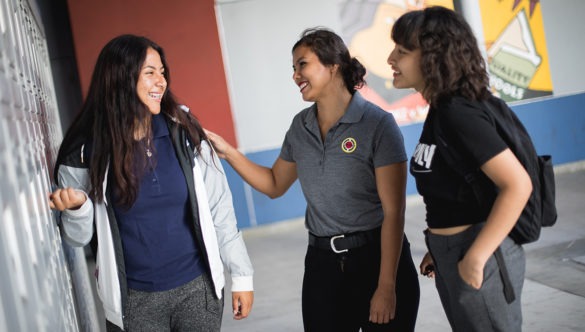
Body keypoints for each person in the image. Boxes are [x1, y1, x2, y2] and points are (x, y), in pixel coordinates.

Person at [206, 27, 419, 331]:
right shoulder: (300, 127)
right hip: (322, 266)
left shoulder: (377, 124)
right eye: (293, 68)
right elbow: (274, 184)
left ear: (333, 66)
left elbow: (394, 211)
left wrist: (386, 286)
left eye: (302, 64)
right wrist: (229, 153)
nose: (295, 75)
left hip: (377, 260)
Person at [48, 34, 254, 331]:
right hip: (135, 303)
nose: (162, 81)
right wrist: (78, 208)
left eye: (162, 72)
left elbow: (220, 207)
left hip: (198, 292)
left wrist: (242, 275)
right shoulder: (85, 152)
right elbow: (77, 238)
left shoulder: (183, 130)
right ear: (120, 77)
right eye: (150, 73)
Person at [388, 6, 531, 331]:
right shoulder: (441, 110)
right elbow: (453, 189)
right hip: (452, 254)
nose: (390, 59)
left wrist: (477, 256)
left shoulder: (459, 112)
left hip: (480, 254)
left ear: (432, 57)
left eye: (402, 51)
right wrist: (439, 247)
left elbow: (517, 184)